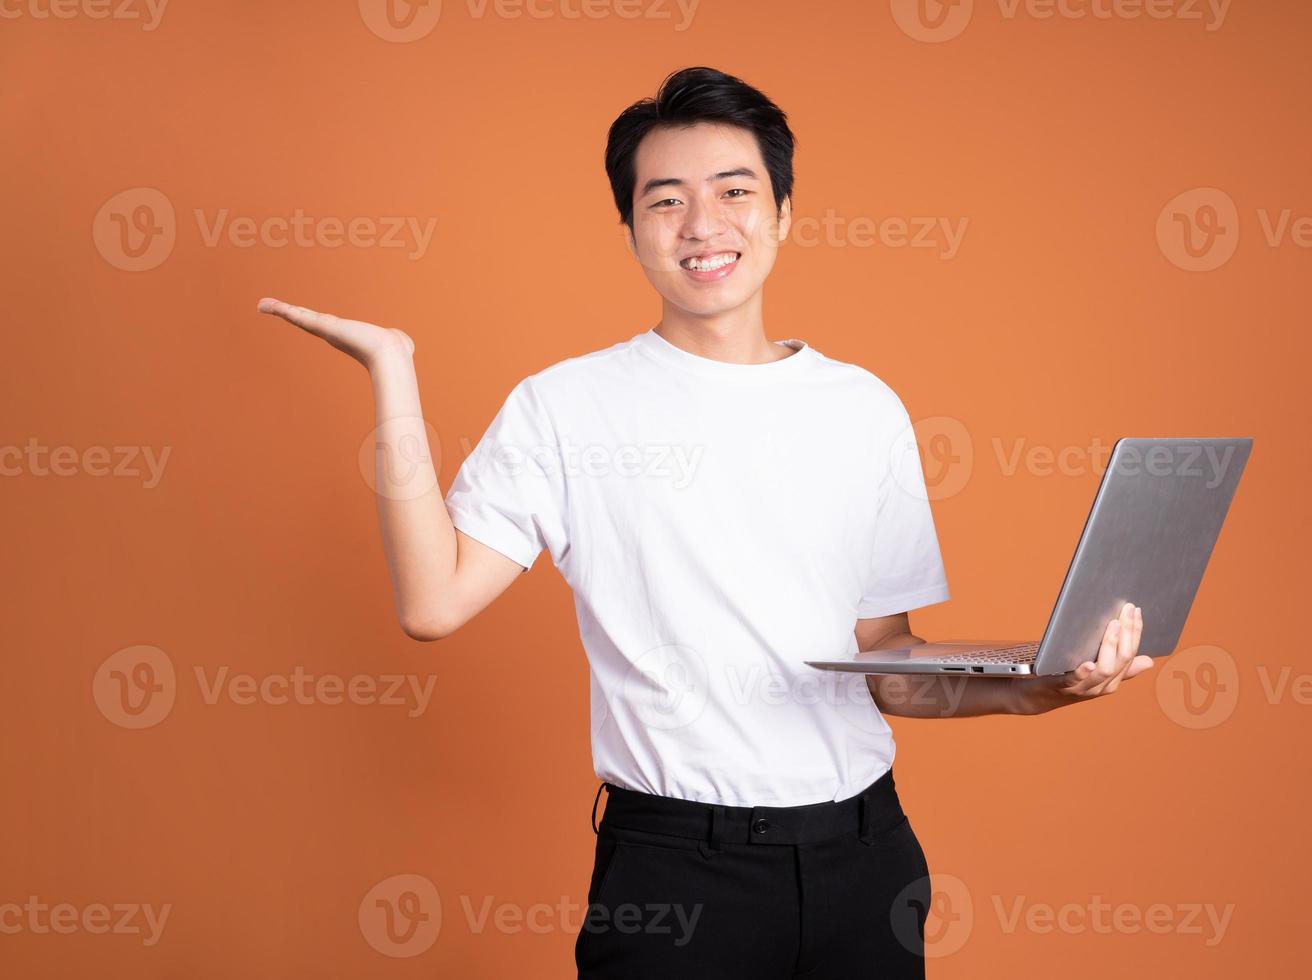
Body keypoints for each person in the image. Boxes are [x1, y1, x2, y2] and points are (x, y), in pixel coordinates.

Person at [257, 65, 1151, 980]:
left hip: (865, 860)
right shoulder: (566, 407)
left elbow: (893, 669)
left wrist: (1038, 687)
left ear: (785, 212)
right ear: (631, 228)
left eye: (734, 192)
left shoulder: (862, 407)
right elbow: (433, 602)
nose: (702, 226)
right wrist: (391, 372)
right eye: (666, 200)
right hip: (676, 877)